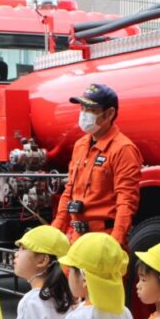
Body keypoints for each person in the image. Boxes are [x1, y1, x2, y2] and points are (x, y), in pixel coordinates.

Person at [50, 84, 143, 247]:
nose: (84, 114)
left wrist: (115, 242)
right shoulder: (80, 145)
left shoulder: (123, 149)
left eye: (91, 109)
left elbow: (126, 201)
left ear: (109, 113)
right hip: (77, 238)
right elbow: (69, 191)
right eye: (82, 108)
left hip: (103, 239)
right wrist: (55, 230)